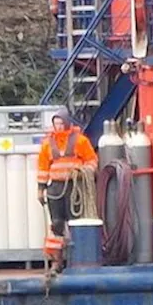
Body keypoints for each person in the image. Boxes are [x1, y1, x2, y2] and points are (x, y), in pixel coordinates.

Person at [36, 108, 97, 271]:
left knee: (75, 222)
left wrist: (84, 172)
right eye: (56, 123)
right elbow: (42, 167)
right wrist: (40, 189)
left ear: (67, 123)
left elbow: (92, 160)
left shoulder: (80, 141)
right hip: (55, 188)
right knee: (56, 224)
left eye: (61, 123)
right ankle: (57, 260)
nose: (59, 126)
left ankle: (78, 258)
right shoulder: (47, 144)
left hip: (74, 187)